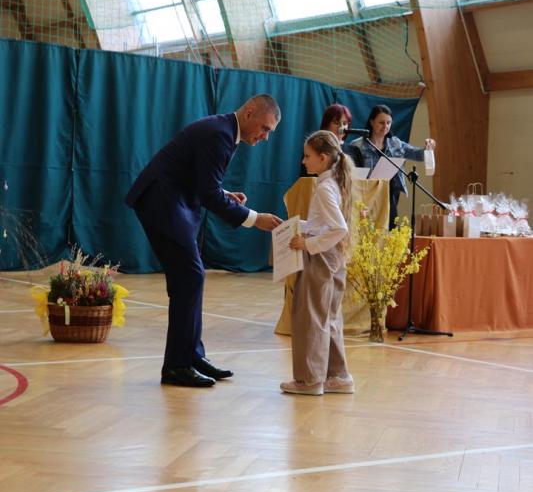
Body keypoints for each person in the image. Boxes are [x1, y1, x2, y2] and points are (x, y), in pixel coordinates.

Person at [126, 94, 282, 388]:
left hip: (170, 201)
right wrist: (254, 218)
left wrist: (224, 194)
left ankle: (191, 356)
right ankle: (177, 366)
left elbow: (204, 182)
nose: (265, 137)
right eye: (265, 128)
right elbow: (207, 194)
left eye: (269, 132)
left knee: (191, 278)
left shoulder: (224, 130)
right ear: (249, 113)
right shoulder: (220, 134)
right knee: (190, 277)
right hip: (162, 202)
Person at [281, 130, 355, 396]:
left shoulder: (324, 188)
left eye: (307, 156)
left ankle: (310, 380)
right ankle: (338, 376)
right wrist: (293, 226)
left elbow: (339, 228)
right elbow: (320, 224)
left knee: (310, 317)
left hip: (321, 257)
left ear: (323, 158)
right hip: (333, 257)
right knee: (329, 316)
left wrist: (308, 244)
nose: (304, 161)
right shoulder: (333, 183)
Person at [348, 104, 436, 230]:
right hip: (366, 195)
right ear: (372, 122)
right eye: (381, 122)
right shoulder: (357, 145)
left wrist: (428, 147)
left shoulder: (395, 143)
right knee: (367, 231)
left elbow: (418, 155)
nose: (385, 126)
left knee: (390, 230)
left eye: (388, 123)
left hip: (389, 194)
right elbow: (351, 173)